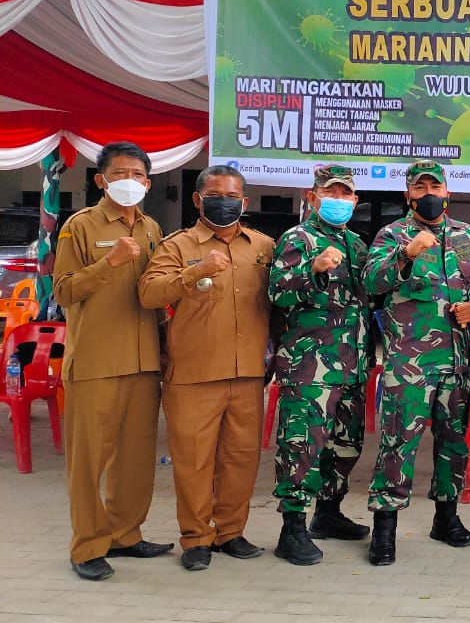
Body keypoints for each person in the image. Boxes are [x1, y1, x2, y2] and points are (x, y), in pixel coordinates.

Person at [139, 165, 275, 572]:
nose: (225, 202)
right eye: (215, 194)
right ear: (198, 200)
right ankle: (197, 537)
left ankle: (231, 531)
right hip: (194, 374)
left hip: (248, 372)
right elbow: (148, 293)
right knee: (194, 461)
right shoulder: (176, 246)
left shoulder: (264, 246)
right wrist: (194, 272)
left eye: (233, 196)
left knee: (241, 458)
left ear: (245, 202)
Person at [362, 159, 470, 566]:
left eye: (435, 188)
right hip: (409, 367)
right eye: (420, 189)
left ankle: (446, 518)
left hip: (456, 364)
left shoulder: (467, 235)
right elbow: (371, 283)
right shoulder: (392, 234)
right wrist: (405, 255)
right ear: (408, 195)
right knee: (397, 445)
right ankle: (385, 530)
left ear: (448, 192)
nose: (429, 195)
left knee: (455, 445)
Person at [54, 142, 171, 581]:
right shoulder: (79, 226)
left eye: (138, 175)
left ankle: (126, 534)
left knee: (136, 459)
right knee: (88, 461)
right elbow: (64, 291)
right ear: (101, 180)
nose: (130, 182)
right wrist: (110, 262)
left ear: (148, 182)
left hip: (143, 363)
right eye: (120, 173)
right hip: (96, 362)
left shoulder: (153, 227)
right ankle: (86, 547)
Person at [268, 165, 373, 565]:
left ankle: (328, 514)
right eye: (331, 192)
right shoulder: (298, 238)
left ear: (355, 201)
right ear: (312, 197)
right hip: (309, 365)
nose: (339, 200)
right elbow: (278, 293)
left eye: (346, 194)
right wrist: (311, 270)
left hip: (352, 364)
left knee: (346, 444)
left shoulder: (357, 245)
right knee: (302, 444)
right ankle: (291, 528)